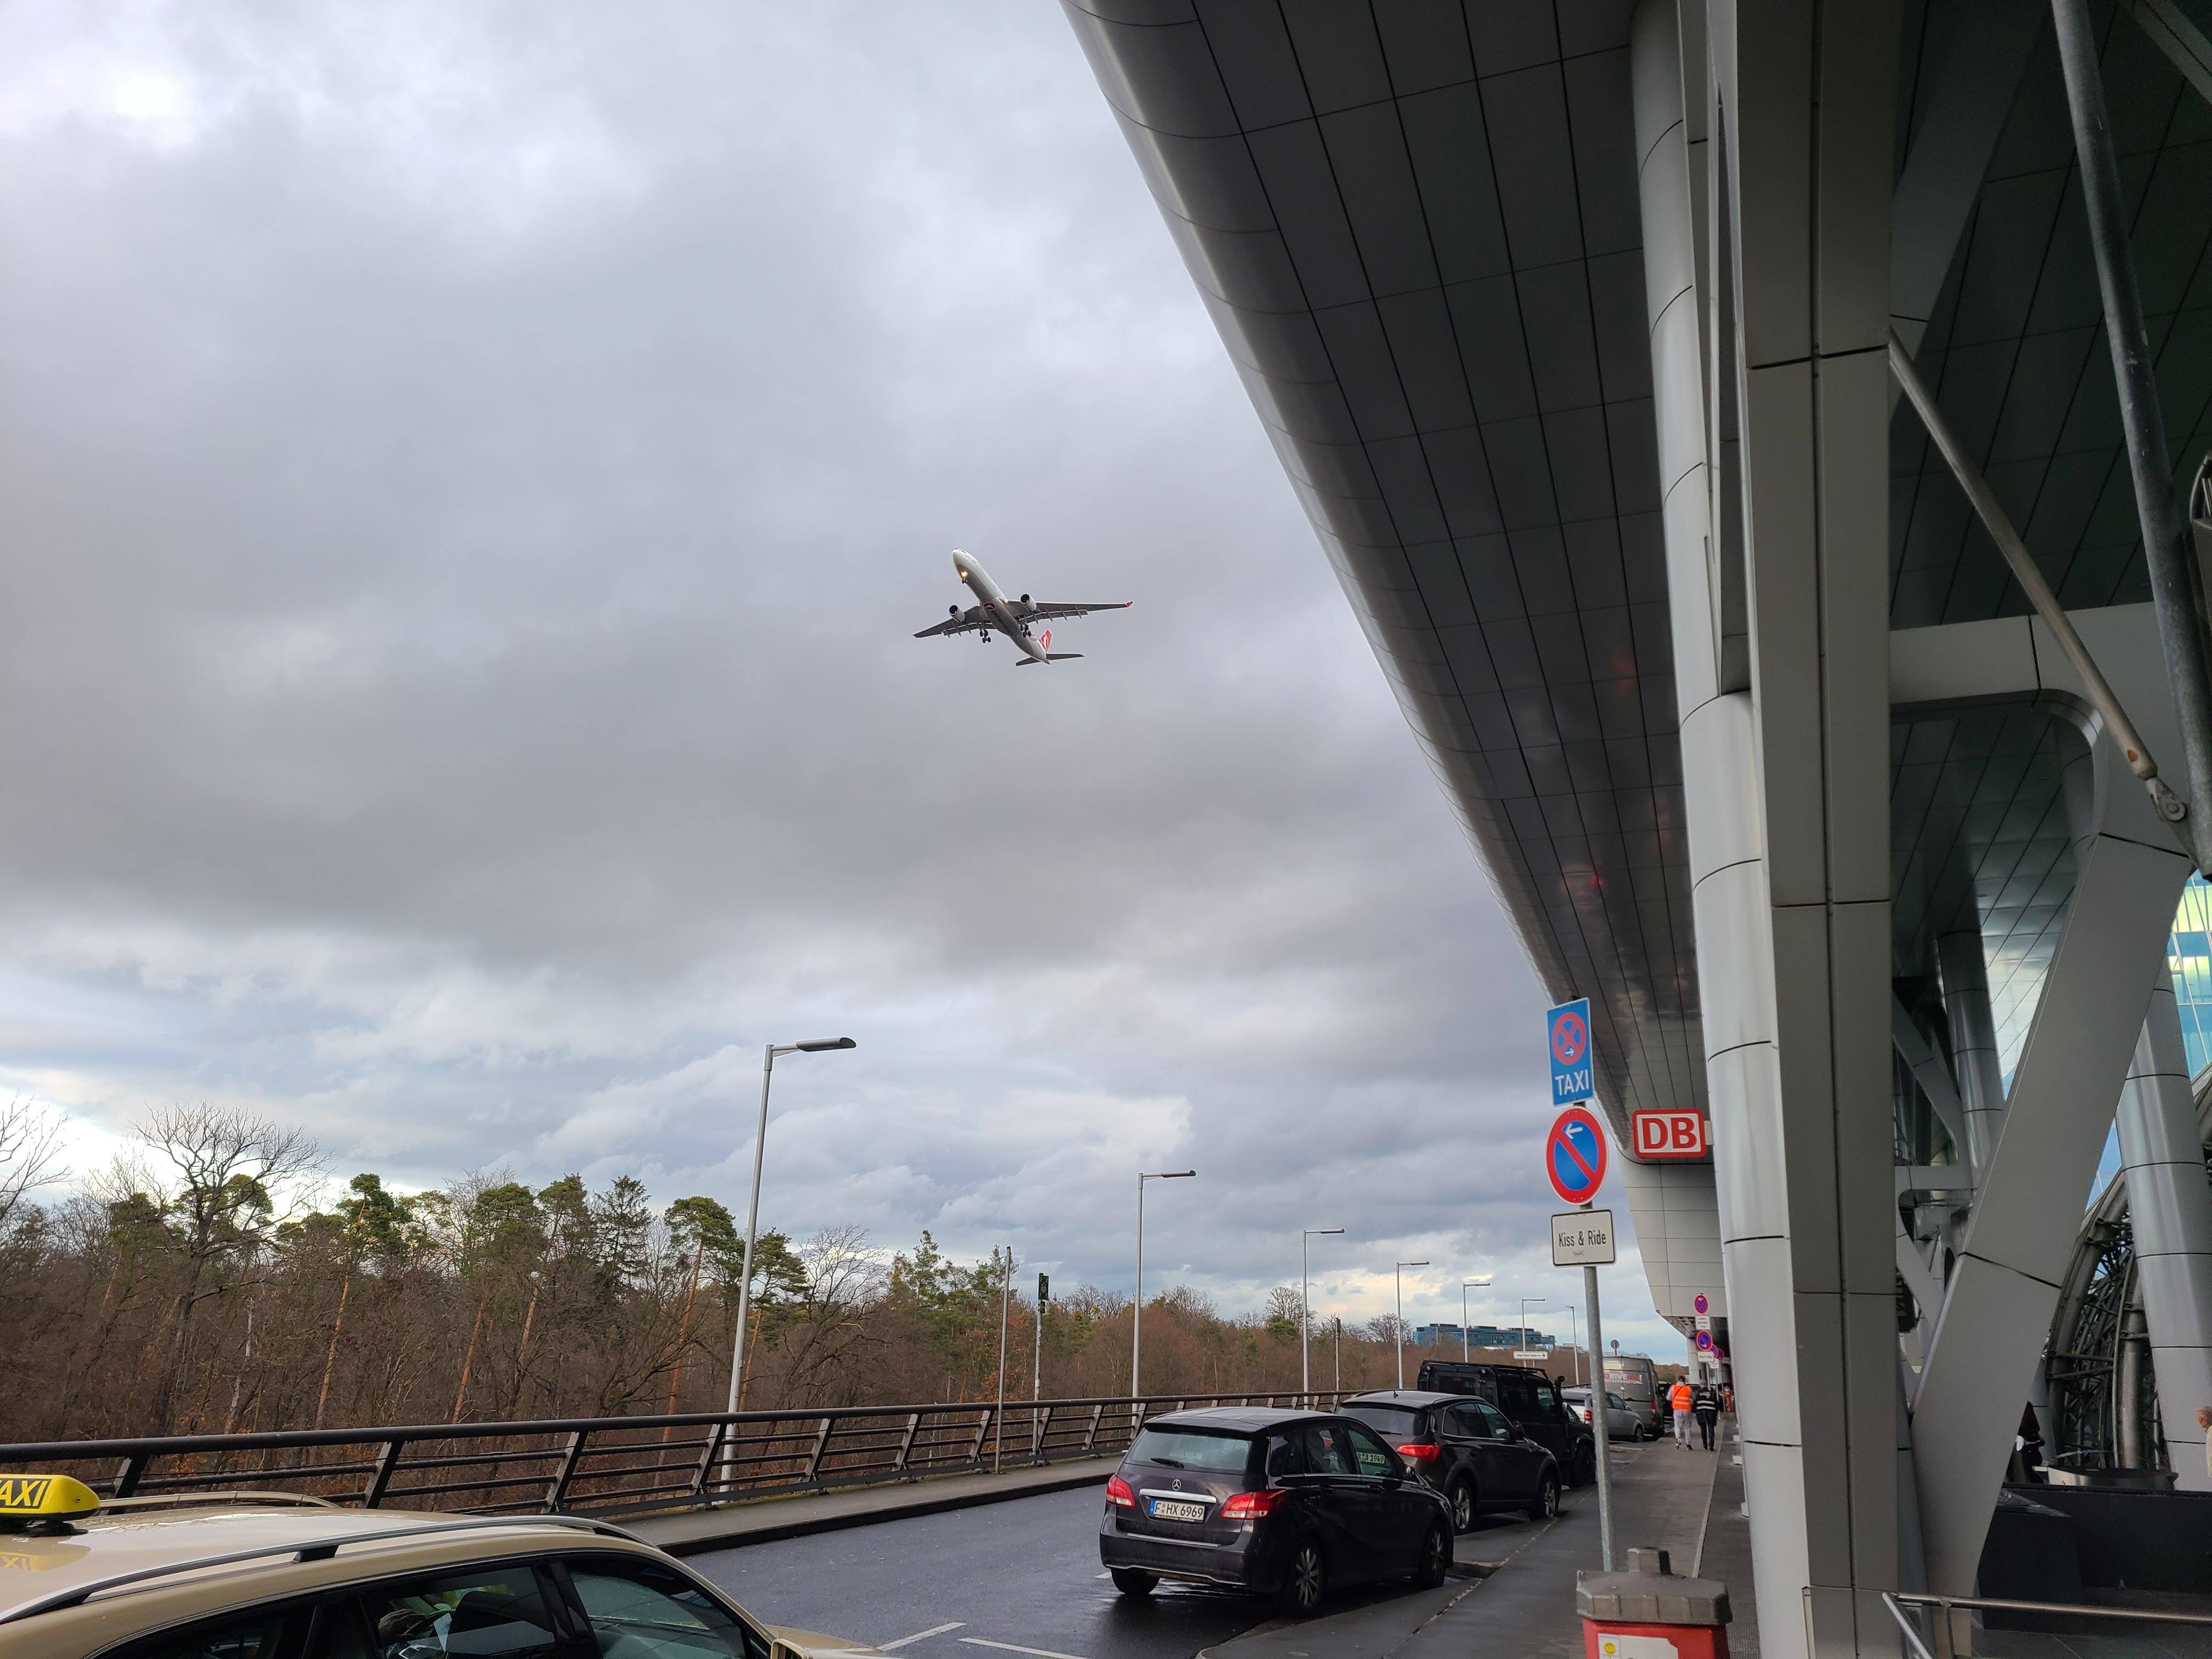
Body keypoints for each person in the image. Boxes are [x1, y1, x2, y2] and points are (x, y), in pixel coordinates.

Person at [1692, 1380, 1720, 1451]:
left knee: (1703, 1429)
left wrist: (1695, 1411)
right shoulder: (1712, 1394)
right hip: (1711, 1413)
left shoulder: (1697, 1393)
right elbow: (1717, 1404)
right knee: (1711, 1429)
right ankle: (1711, 1445)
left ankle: (1705, 1444)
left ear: (1700, 1385)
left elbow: (1694, 1404)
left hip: (1701, 1413)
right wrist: (1716, 1412)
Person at [1669, 1376, 1694, 1447]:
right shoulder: (1688, 1389)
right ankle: (1688, 1444)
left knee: (1678, 1426)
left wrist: (1675, 1400)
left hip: (1677, 1410)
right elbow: (1694, 1397)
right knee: (1687, 1427)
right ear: (1685, 1381)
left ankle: (1678, 1438)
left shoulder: (1673, 1388)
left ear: (1678, 1380)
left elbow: (1668, 1398)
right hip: (1687, 1410)